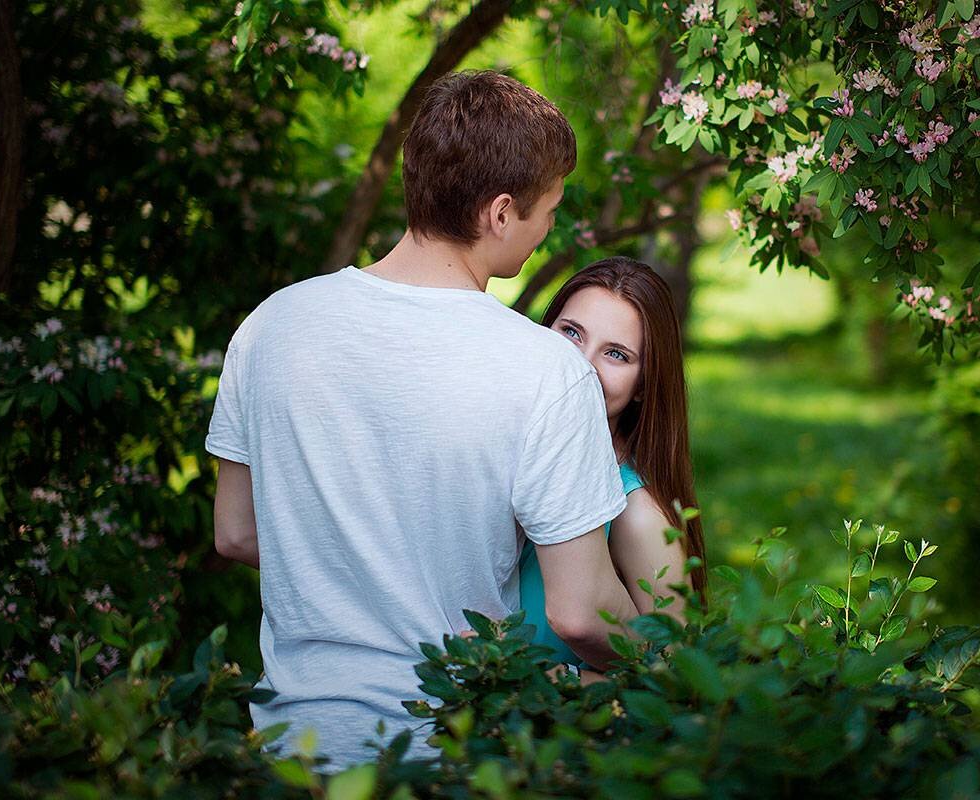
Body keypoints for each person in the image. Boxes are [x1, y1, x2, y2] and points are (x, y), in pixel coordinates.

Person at [206, 70, 640, 774]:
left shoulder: (270, 326)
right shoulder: (545, 371)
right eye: (548, 210)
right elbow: (580, 612)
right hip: (449, 751)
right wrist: (677, 664)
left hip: (288, 749)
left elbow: (235, 532)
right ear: (501, 213)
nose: (549, 228)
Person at [517, 257, 708, 678]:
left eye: (616, 354)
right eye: (570, 333)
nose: (580, 366)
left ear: (643, 384)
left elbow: (679, 681)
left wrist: (549, 685)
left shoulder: (637, 514)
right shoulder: (510, 451)